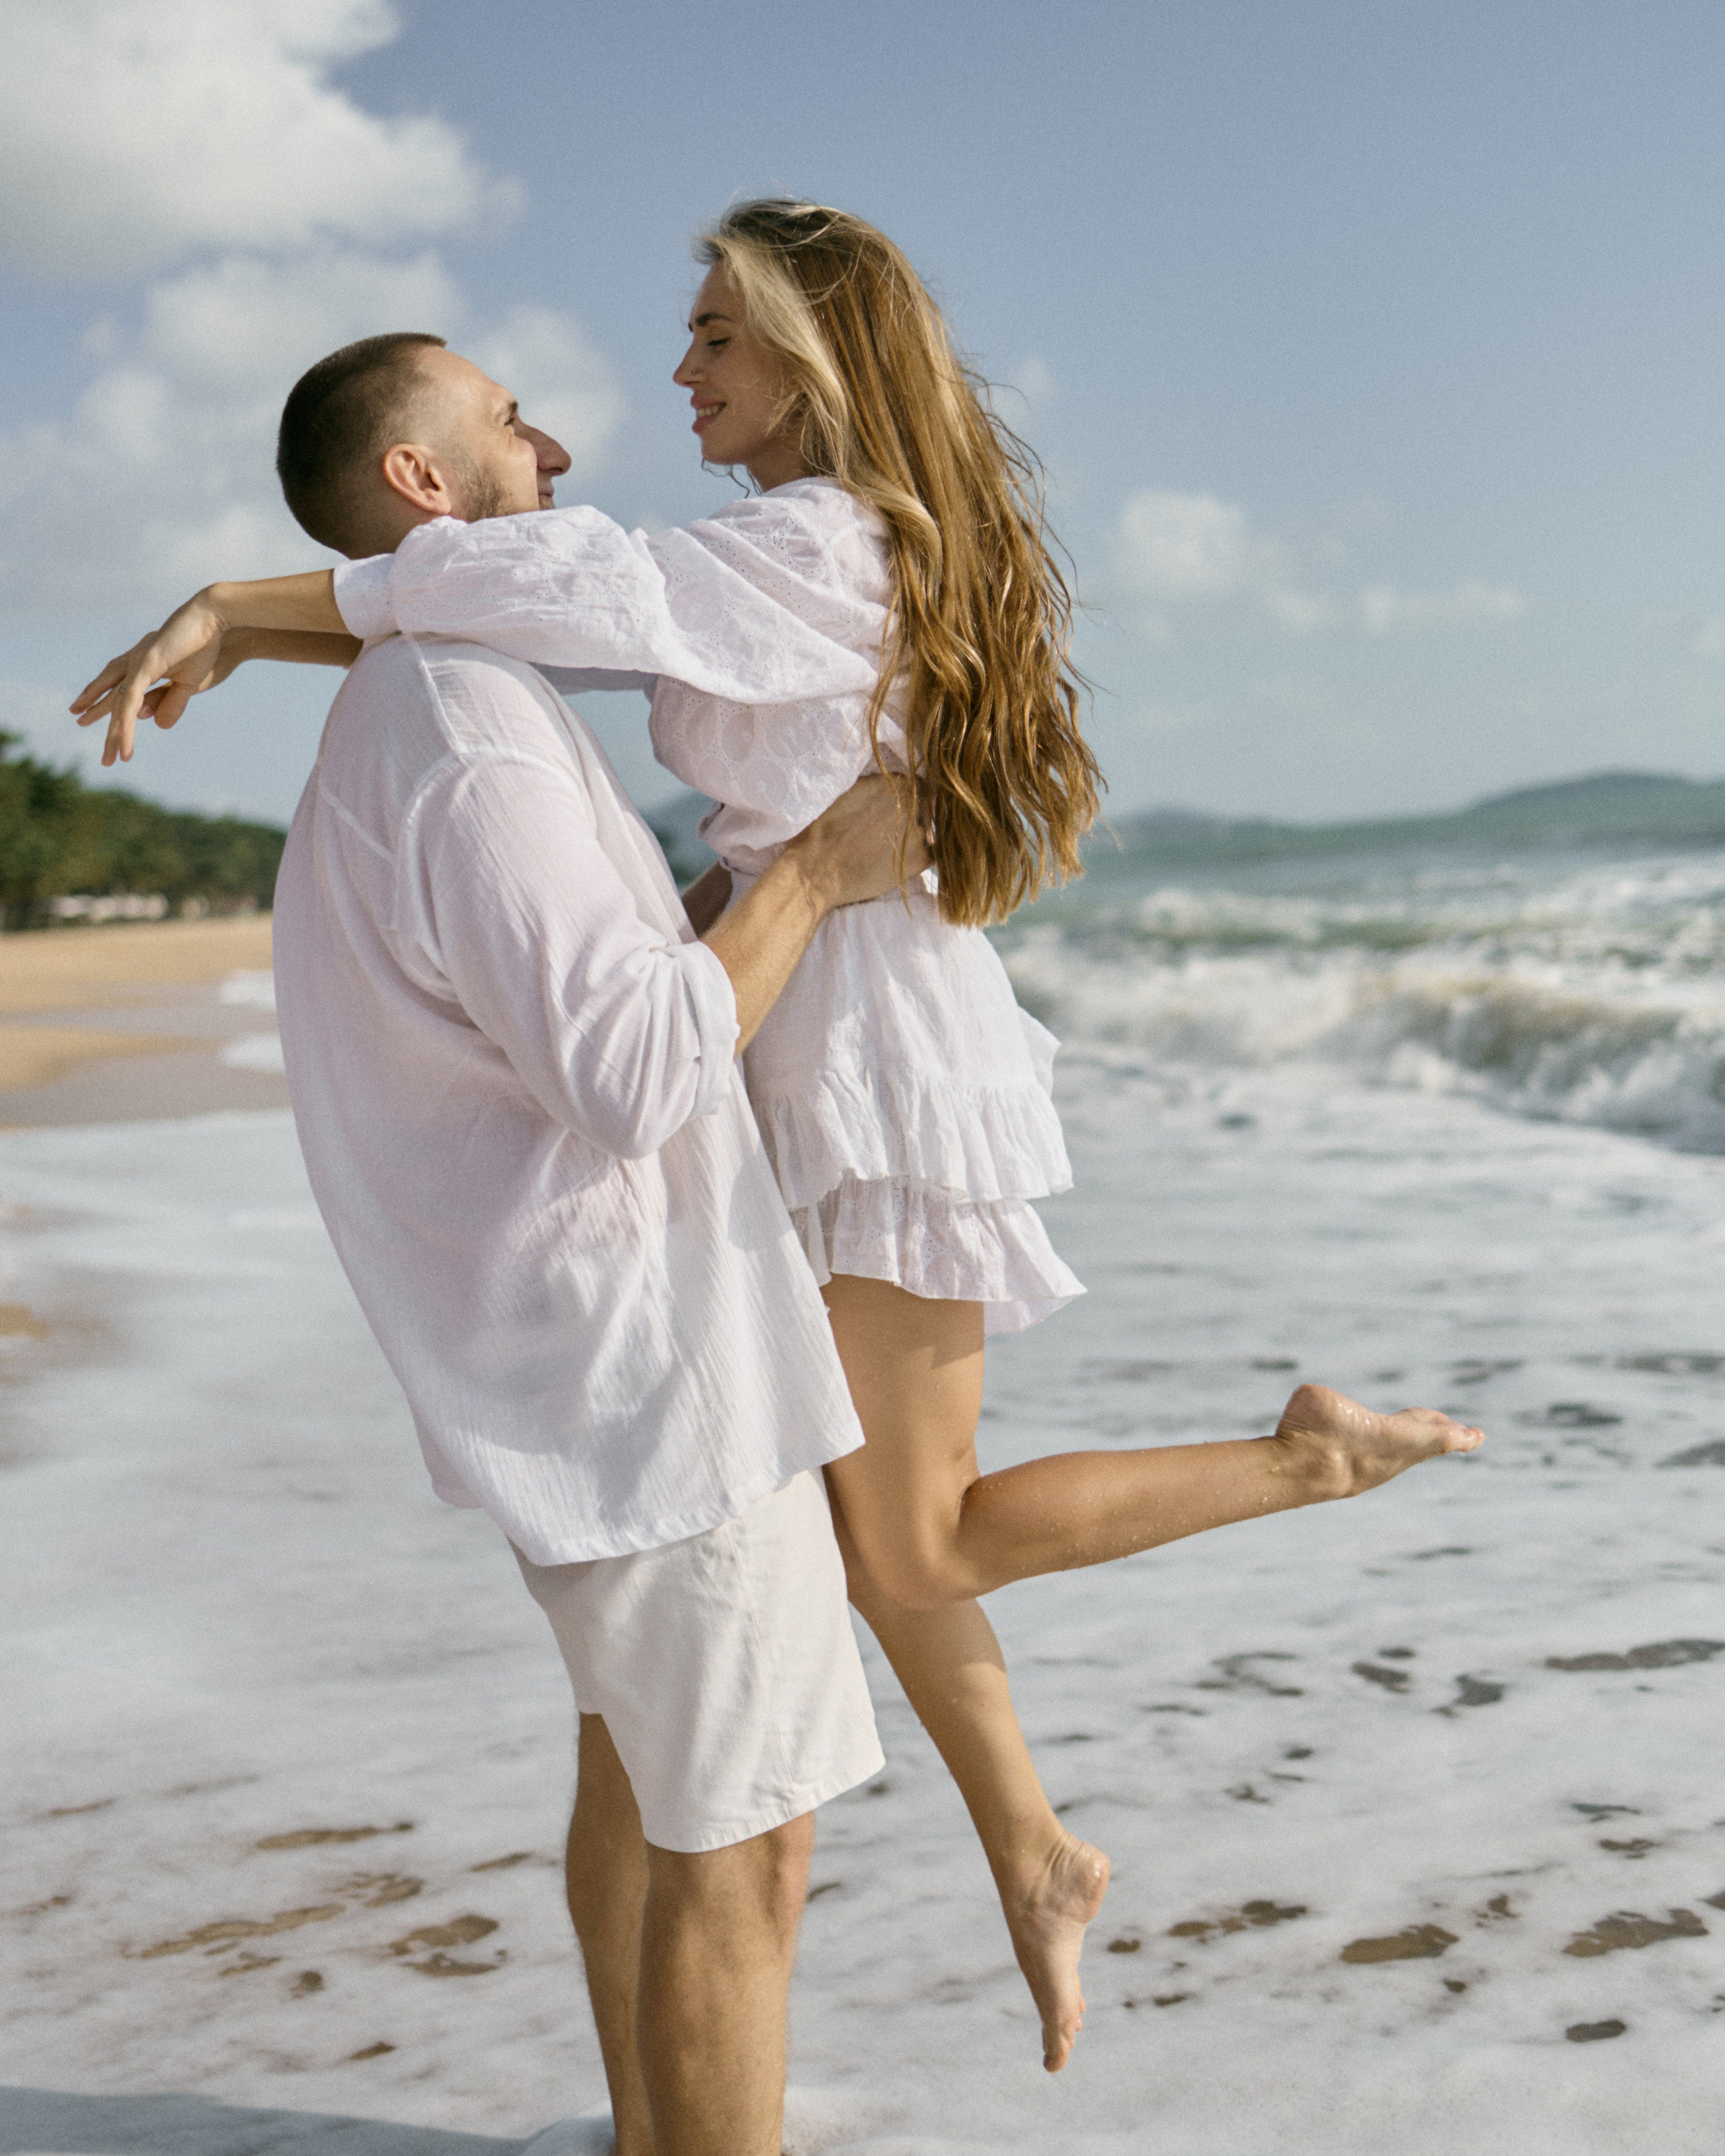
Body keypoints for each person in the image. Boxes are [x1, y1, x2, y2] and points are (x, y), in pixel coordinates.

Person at [75, 206, 1485, 2079]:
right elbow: (472, 595)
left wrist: (234, 611)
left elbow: (491, 587)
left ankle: (1292, 1480)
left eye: (718, 336)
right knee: (731, 1628)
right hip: (787, 1018)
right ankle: (1014, 1862)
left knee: (902, 1542)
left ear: (815, 360)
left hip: (869, 1048)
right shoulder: (787, 552)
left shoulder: (809, 548)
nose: (679, 374)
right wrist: (240, 616)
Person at [78, 330, 934, 2156]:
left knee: (644, 1778)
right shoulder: (462, 731)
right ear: (423, 486)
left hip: (583, 1365)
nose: (553, 439)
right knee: (746, 1847)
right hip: (653, 1373)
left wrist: (713, 894)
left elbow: (566, 1000)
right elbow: (631, 1071)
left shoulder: (433, 712)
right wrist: (818, 875)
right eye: (503, 417)